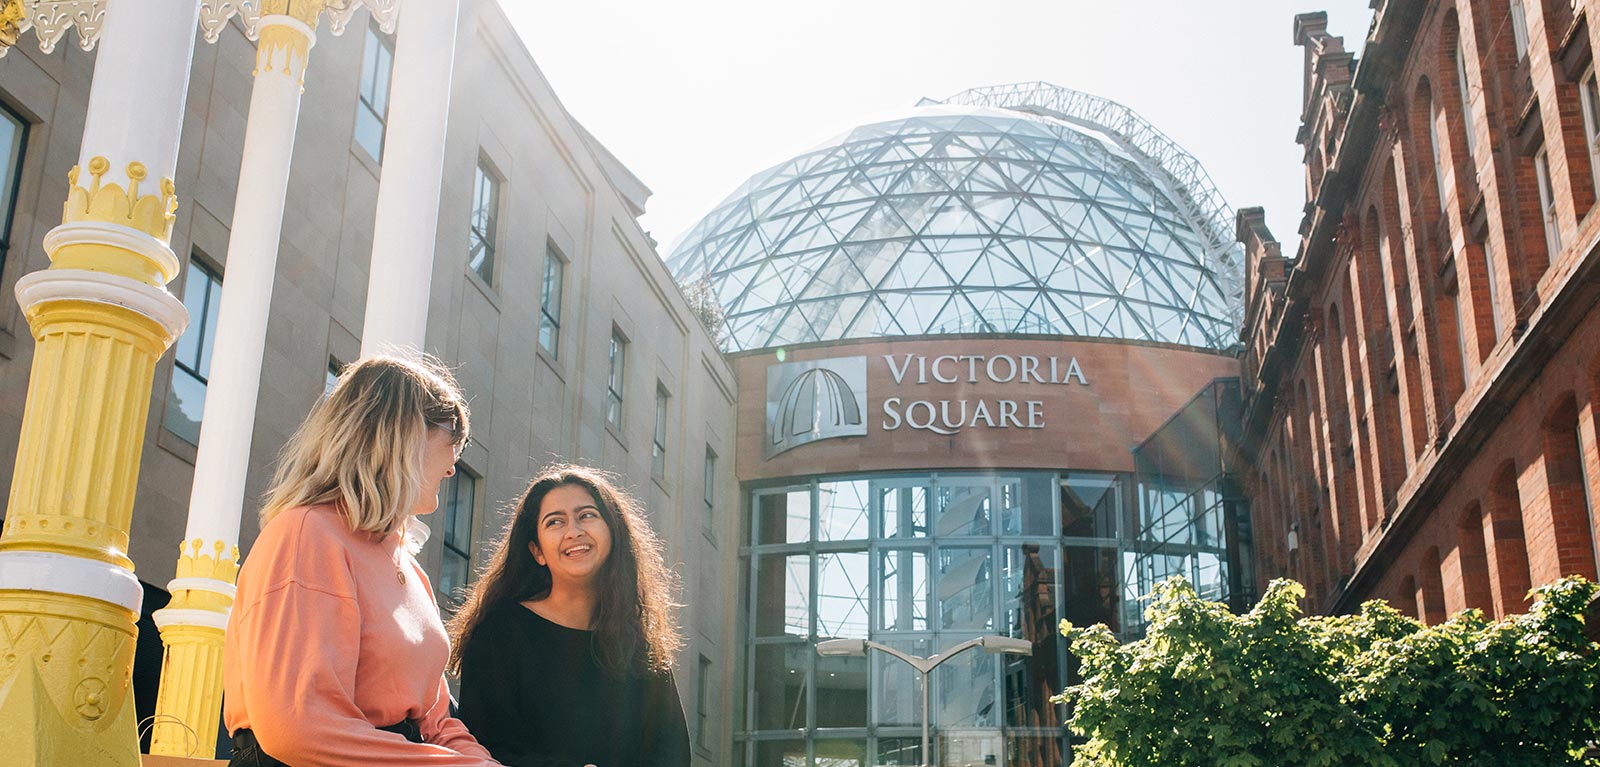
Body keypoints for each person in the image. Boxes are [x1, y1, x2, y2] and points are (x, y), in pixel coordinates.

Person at [222, 353, 500, 767]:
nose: (452, 468)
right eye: (452, 441)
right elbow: (299, 727)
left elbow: (436, 719)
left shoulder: (409, 567)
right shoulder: (306, 535)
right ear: (399, 436)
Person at [451, 465, 690, 767]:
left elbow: (672, 751)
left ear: (613, 532)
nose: (574, 531)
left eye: (586, 515)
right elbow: (484, 745)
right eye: (555, 522)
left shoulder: (638, 639)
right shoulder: (499, 631)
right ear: (537, 551)